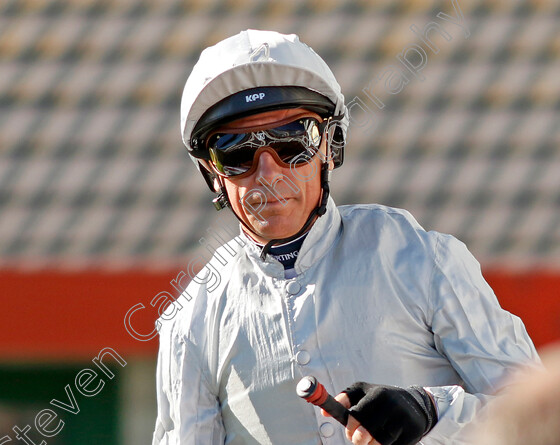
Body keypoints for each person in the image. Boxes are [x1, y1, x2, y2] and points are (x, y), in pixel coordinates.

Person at [152, 30, 540, 445]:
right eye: (236, 151)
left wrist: (431, 410)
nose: (268, 173)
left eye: (293, 141)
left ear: (330, 147)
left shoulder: (423, 260)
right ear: (212, 174)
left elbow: (539, 419)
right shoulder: (190, 321)